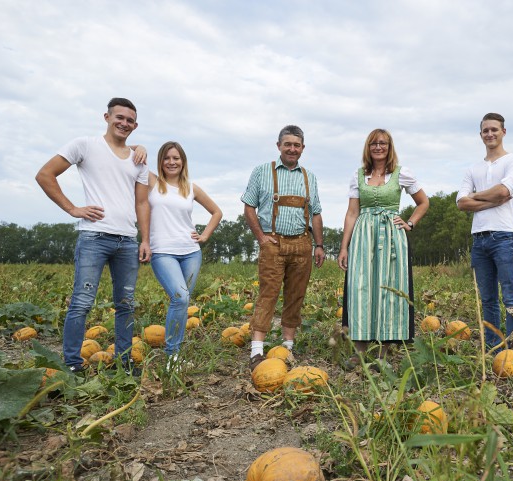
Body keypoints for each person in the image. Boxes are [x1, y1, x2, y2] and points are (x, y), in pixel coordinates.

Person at [35, 97, 150, 374]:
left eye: (130, 120)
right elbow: (45, 175)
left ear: (135, 126)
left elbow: (142, 203)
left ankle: (123, 362)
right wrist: (72, 208)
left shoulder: (139, 160)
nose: (124, 123)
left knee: (126, 304)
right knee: (82, 302)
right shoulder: (84, 145)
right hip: (94, 238)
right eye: (119, 117)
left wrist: (144, 239)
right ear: (107, 117)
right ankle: (73, 365)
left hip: (126, 241)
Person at [338, 129, 429, 369]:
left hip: (391, 236)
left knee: (390, 288)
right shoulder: (358, 175)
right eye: (374, 144)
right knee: (360, 288)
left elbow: (423, 202)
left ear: (390, 147)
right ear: (368, 148)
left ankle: (383, 353)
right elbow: (352, 213)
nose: (378, 147)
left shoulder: (401, 173)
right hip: (363, 236)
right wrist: (343, 247)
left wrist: (409, 223)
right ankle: (359, 351)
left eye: (383, 143)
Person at [241, 125, 325, 370]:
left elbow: (316, 214)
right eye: (287, 144)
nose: (292, 149)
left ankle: (287, 347)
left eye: (296, 145)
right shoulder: (262, 172)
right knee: (268, 293)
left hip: (301, 243)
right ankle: (257, 349)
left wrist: (319, 245)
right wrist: (261, 237)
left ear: (302, 148)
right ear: (278, 146)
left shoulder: (310, 177)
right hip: (273, 243)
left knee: (295, 295)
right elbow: (249, 207)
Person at [148, 141, 222, 371]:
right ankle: (172, 356)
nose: (172, 162)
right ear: (160, 161)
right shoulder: (152, 182)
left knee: (183, 300)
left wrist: (204, 235)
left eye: (176, 158)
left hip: (190, 252)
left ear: (183, 162)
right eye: (167, 158)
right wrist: (139, 147)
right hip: (162, 251)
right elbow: (129, 156)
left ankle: (175, 355)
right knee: (180, 297)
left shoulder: (191, 188)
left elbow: (217, 212)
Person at [456, 112, 513, 353]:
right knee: (487, 299)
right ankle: (494, 348)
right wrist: (489, 199)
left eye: (494, 129)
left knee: (511, 296)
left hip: (505, 237)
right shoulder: (472, 168)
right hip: (480, 240)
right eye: (485, 130)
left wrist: (476, 194)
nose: (490, 134)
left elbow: (504, 191)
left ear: (503, 132)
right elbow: (461, 203)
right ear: (480, 135)